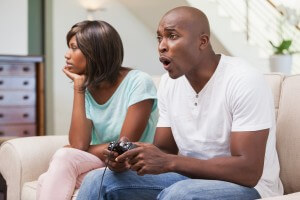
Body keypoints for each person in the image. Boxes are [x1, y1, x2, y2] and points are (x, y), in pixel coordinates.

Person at [77, 6, 283, 200]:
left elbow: (248, 171)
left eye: (172, 36)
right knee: (98, 180)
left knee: (180, 194)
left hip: (249, 187)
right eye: (159, 38)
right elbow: (164, 150)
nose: (161, 46)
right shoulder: (169, 84)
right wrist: (131, 160)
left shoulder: (243, 79)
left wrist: (171, 162)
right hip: (188, 178)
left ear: (202, 42)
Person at [36, 20, 158, 200]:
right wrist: (79, 88)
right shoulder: (86, 86)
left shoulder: (138, 82)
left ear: (94, 52)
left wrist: (82, 149)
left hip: (129, 166)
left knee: (53, 170)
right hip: (101, 162)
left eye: (73, 48)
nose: (66, 55)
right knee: (49, 174)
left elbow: (123, 148)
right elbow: (79, 144)